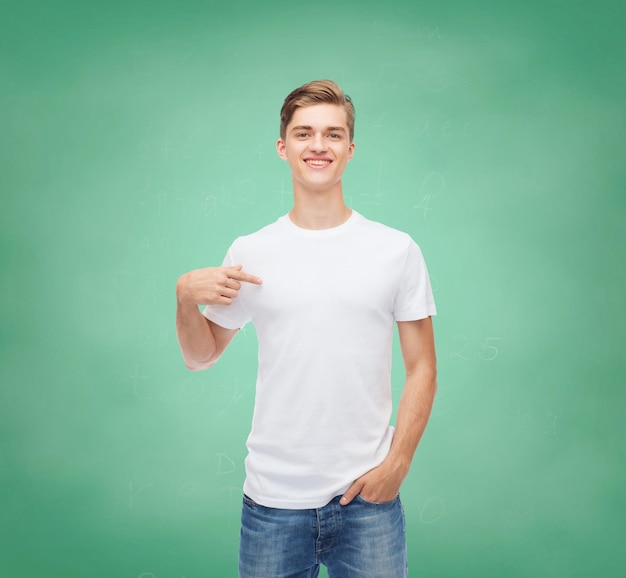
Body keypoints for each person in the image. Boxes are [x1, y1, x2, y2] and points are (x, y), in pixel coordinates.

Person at [175, 80, 437, 578]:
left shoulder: (396, 250)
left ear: (350, 148)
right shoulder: (251, 251)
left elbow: (423, 365)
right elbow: (200, 356)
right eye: (304, 134)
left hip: (369, 501)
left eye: (333, 134)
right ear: (283, 147)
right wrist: (185, 298)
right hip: (272, 503)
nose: (318, 146)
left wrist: (397, 463)